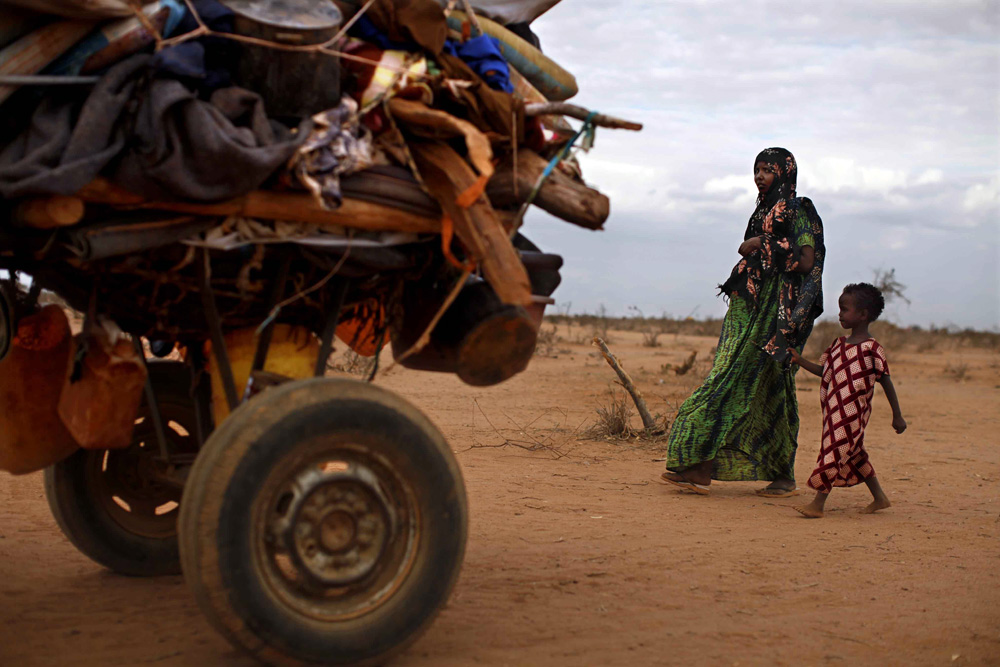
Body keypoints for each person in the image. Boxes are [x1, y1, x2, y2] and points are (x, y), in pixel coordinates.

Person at [661, 147, 825, 497]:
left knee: (751, 383)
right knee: (744, 381)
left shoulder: (800, 210)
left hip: (777, 316)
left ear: (785, 173)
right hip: (748, 310)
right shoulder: (762, 211)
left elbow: (808, 261)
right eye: (757, 169)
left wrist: (760, 243)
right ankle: (759, 473)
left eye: (768, 170)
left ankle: (706, 467)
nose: (760, 176)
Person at [787, 283, 906, 518]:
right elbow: (825, 372)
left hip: (852, 414)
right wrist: (800, 361)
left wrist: (897, 415)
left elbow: (886, 381)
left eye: (844, 309)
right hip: (832, 411)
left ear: (863, 315)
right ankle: (880, 498)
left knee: (834, 451)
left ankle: (818, 503)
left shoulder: (873, 350)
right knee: (854, 453)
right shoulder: (837, 346)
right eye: (839, 309)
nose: (839, 313)